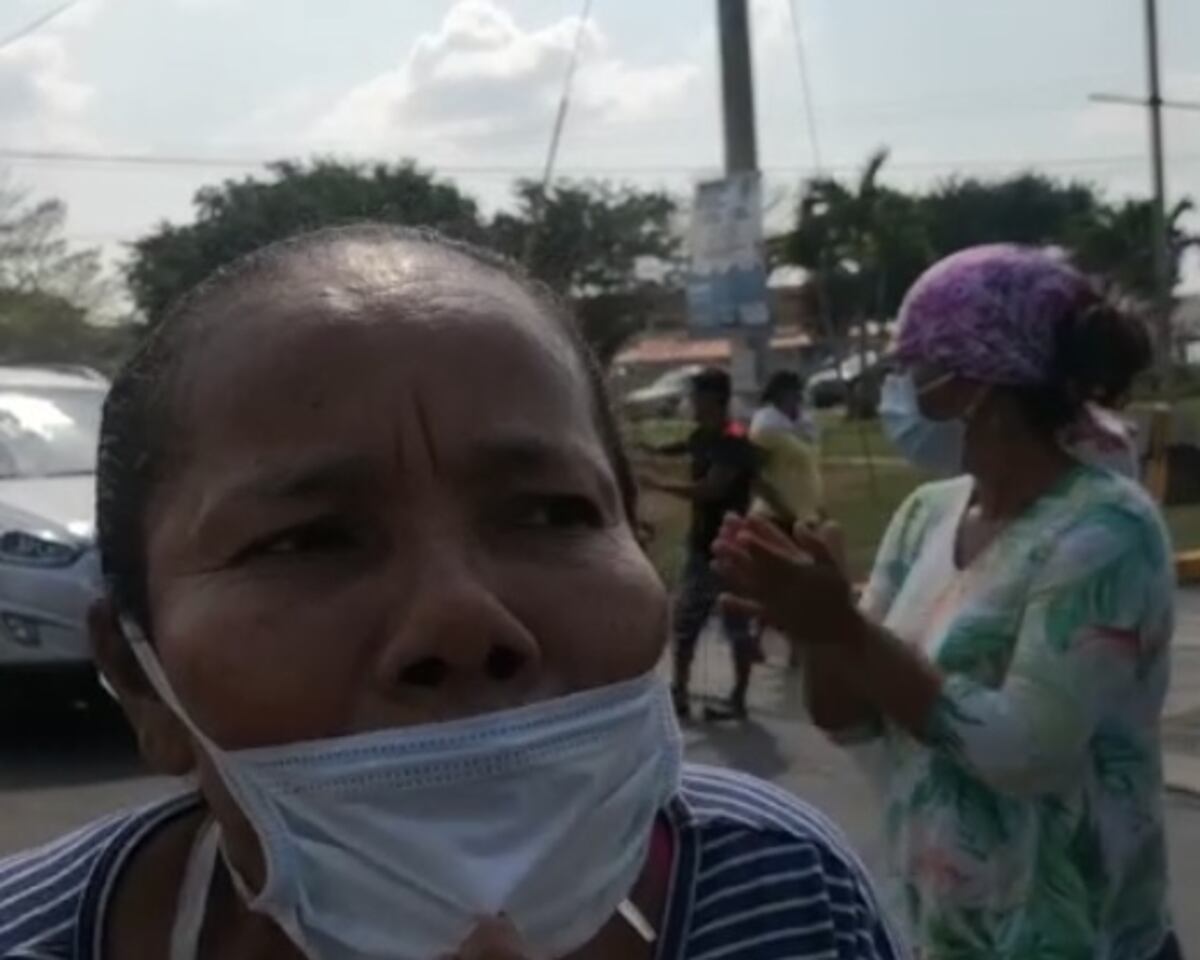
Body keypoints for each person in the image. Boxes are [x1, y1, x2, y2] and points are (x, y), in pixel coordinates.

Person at [0, 226, 903, 960]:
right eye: (307, 539)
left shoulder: (787, 892)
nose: (463, 622)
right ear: (140, 678)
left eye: (551, 515)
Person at [715, 245, 1180, 960]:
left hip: (1086, 938)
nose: (900, 389)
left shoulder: (1106, 529)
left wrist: (844, 625)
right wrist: (821, 629)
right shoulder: (926, 515)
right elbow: (849, 721)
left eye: (915, 368)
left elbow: (1025, 752)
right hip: (943, 934)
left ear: (981, 385)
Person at [638, 368, 759, 722]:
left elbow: (713, 489)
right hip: (701, 544)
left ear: (714, 399)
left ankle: (737, 698)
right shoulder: (700, 436)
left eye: (696, 397)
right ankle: (680, 694)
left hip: (728, 546)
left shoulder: (734, 439)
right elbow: (674, 450)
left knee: (733, 621)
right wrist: (643, 450)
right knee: (687, 622)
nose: (690, 403)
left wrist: (658, 484)